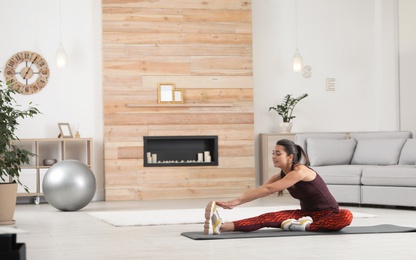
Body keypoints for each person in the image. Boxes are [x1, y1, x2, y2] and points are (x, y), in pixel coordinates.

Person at [204, 139, 353, 235]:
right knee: (267, 218)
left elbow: (269, 190)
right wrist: (235, 201)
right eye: (273, 153)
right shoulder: (280, 176)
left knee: (346, 215)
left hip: (329, 215)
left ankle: (303, 227)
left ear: (290, 157)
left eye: (278, 153)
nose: (273, 156)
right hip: (306, 215)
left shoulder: (300, 172)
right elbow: (261, 190)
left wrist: (234, 203)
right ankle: (221, 226)